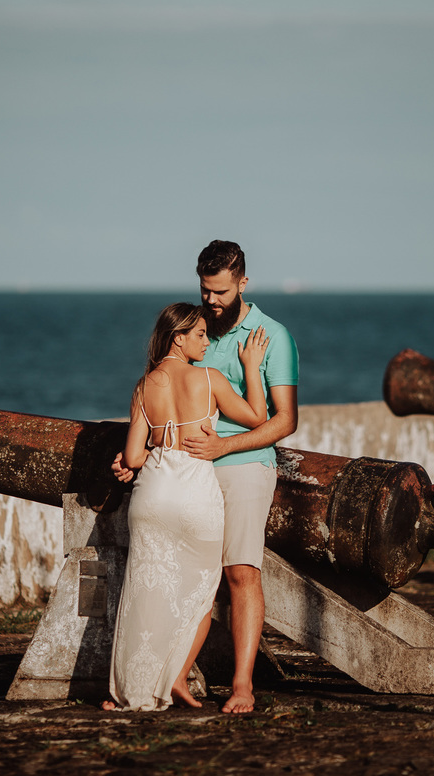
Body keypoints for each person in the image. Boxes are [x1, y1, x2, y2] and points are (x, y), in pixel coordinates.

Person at [104, 302, 271, 711]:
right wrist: (251, 366)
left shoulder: (144, 386)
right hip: (195, 493)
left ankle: (128, 693)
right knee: (199, 593)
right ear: (177, 337)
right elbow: (258, 416)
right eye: (199, 334)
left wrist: (125, 466)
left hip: (153, 493)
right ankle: (173, 678)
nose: (206, 340)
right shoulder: (210, 379)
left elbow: (135, 455)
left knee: (144, 592)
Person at [182, 240, 300, 714]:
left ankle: (243, 685)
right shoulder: (193, 330)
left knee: (240, 573)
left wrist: (224, 446)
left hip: (246, 463)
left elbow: (285, 420)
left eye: (221, 292)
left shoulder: (273, 335)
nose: (211, 302)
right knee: (187, 575)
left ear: (243, 283)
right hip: (189, 465)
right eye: (205, 291)